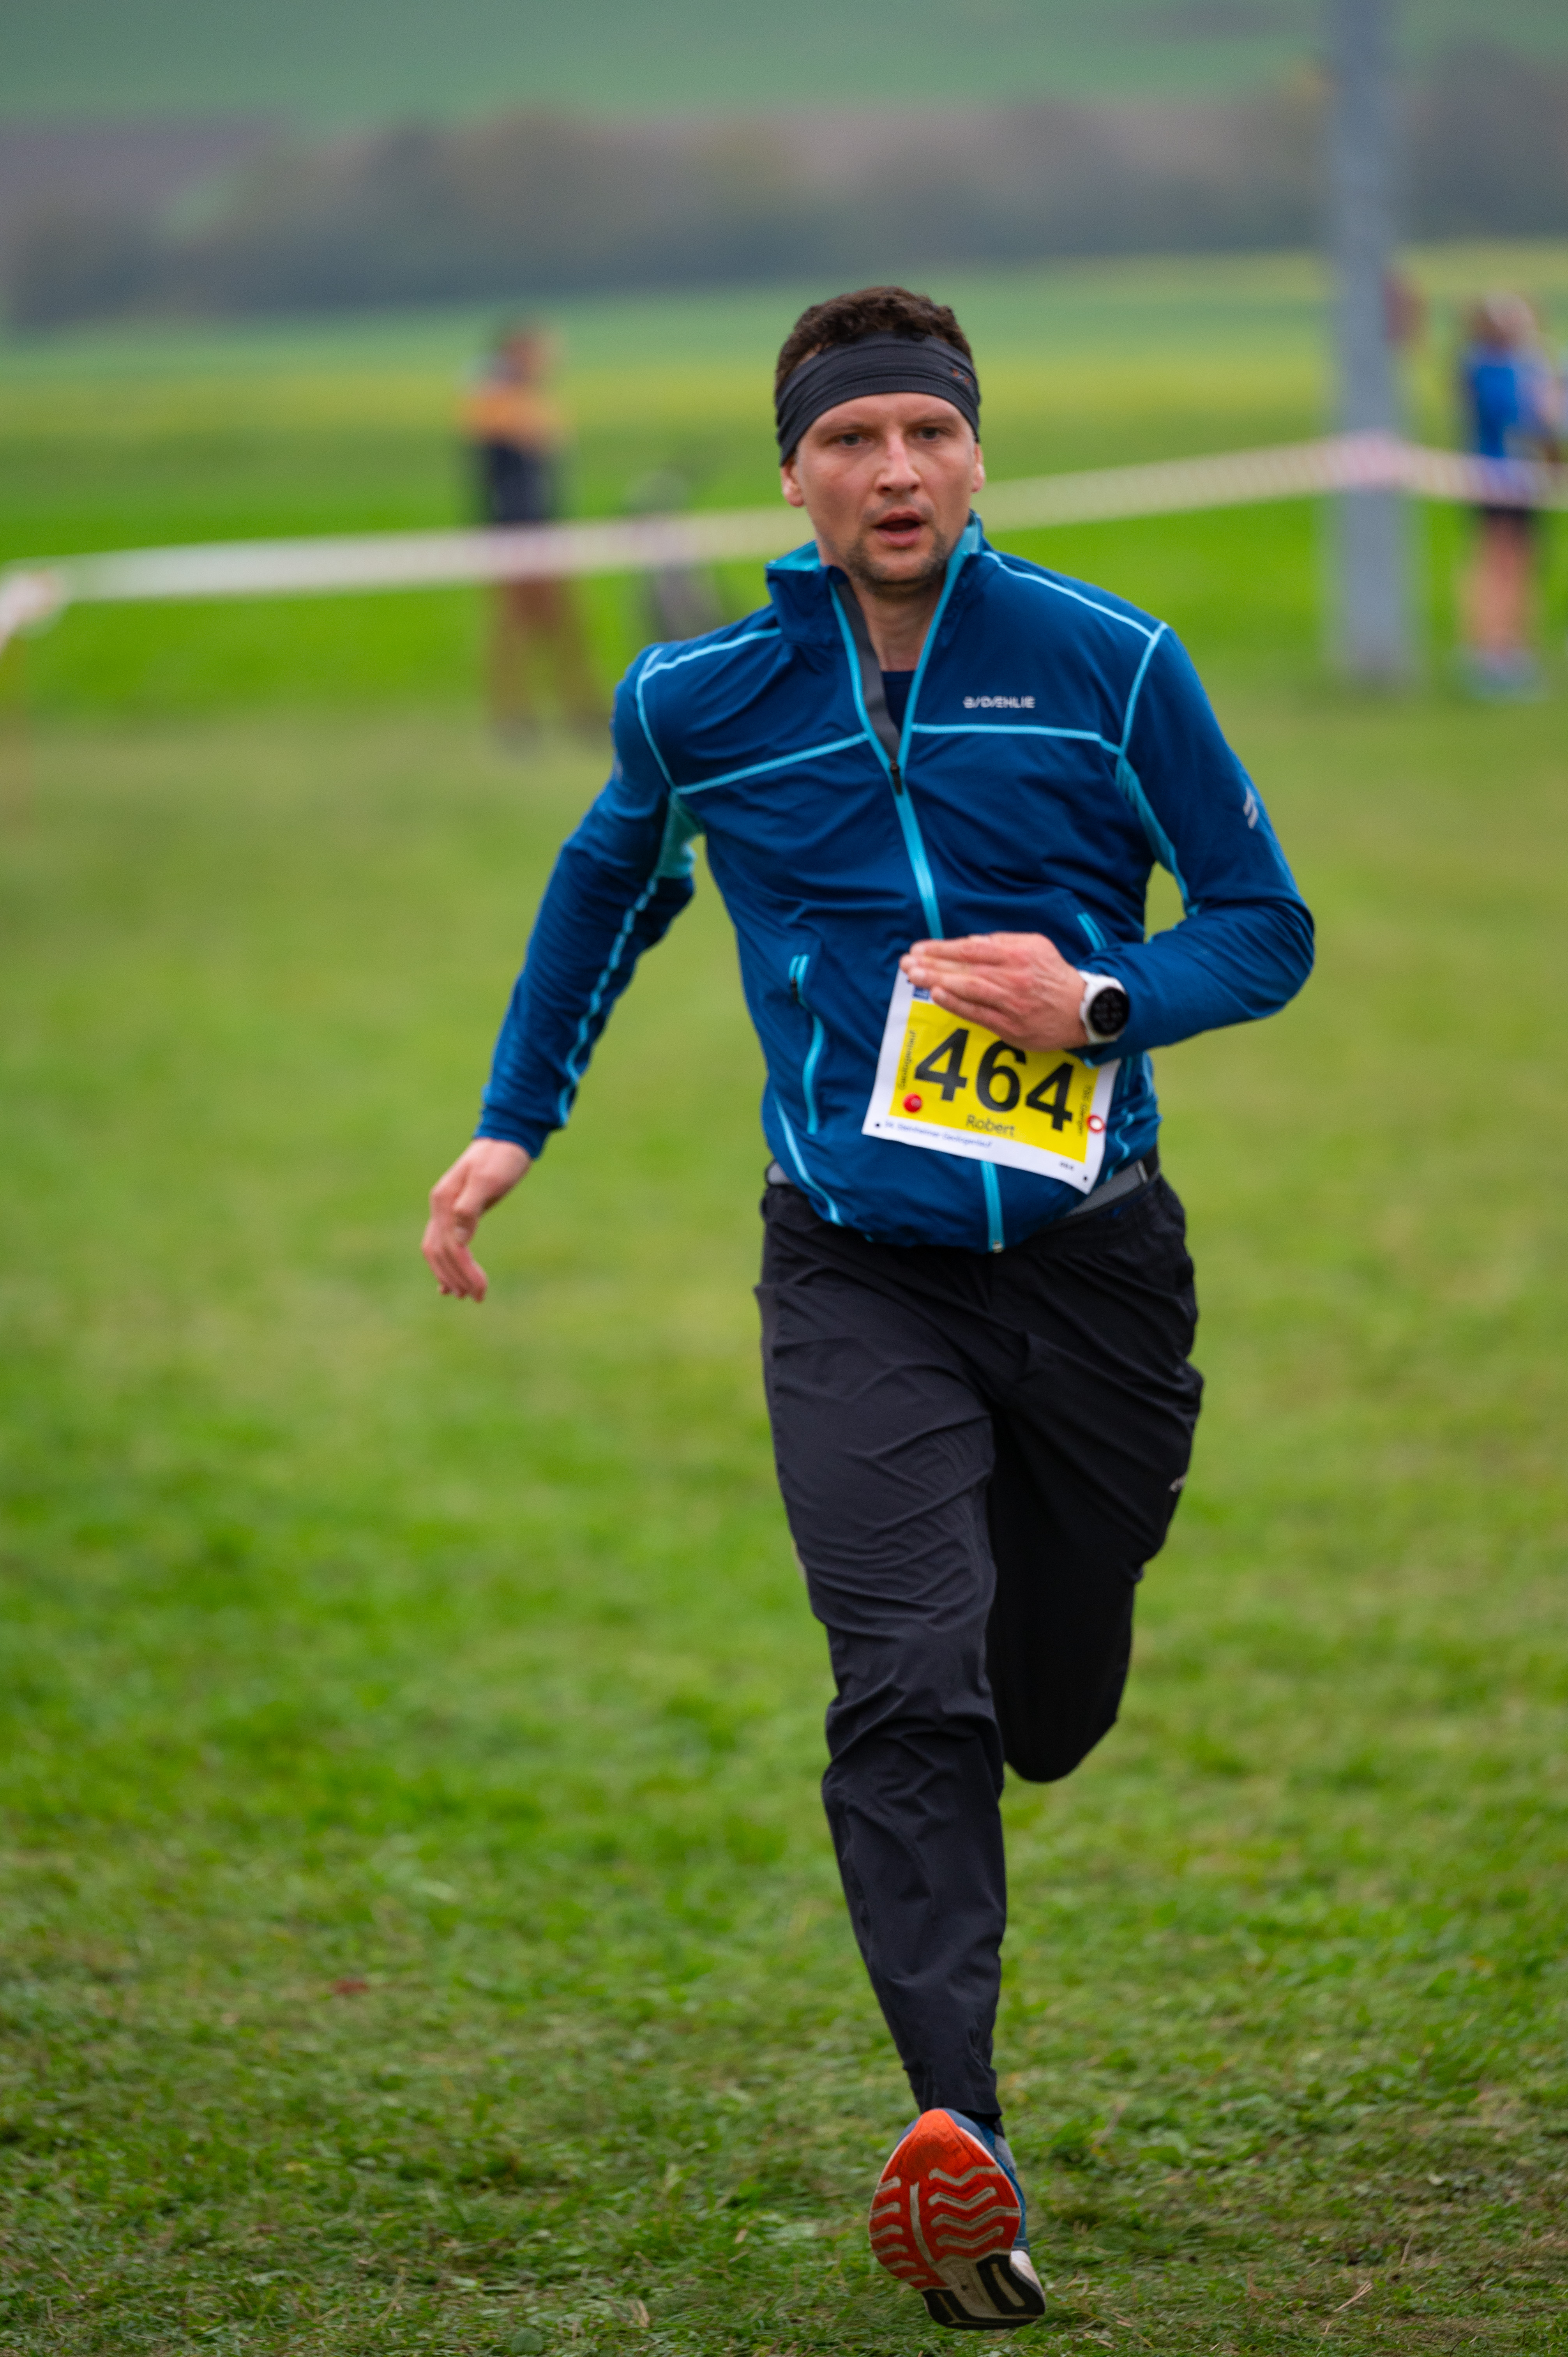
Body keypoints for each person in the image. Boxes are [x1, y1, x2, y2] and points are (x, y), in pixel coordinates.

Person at [423, 285, 1314, 2331]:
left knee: (1043, 1701)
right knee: (905, 1685)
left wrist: (1101, 1001)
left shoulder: (1107, 663)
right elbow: (607, 883)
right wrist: (511, 1122)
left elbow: (1262, 926)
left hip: (1094, 1267)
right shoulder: (700, 697)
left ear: (974, 455)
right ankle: (959, 2151)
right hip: (849, 1270)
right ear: (793, 474)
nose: (892, 471)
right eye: (848, 440)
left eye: (925, 432)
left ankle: (1043, 1679)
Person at [460, 322, 600, 737]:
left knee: (561, 619)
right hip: (513, 524)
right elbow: (533, 433)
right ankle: (515, 713)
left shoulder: (514, 393)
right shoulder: (494, 394)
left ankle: (575, 707)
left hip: (540, 520)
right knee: (517, 621)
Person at [1456, 293, 1563, 700]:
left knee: (1521, 565)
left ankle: (1513, 649)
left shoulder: (1525, 364)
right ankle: (1489, 653)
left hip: (1524, 482)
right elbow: (1522, 420)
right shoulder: (1487, 368)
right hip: (1498, 481)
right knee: (1497, 564)